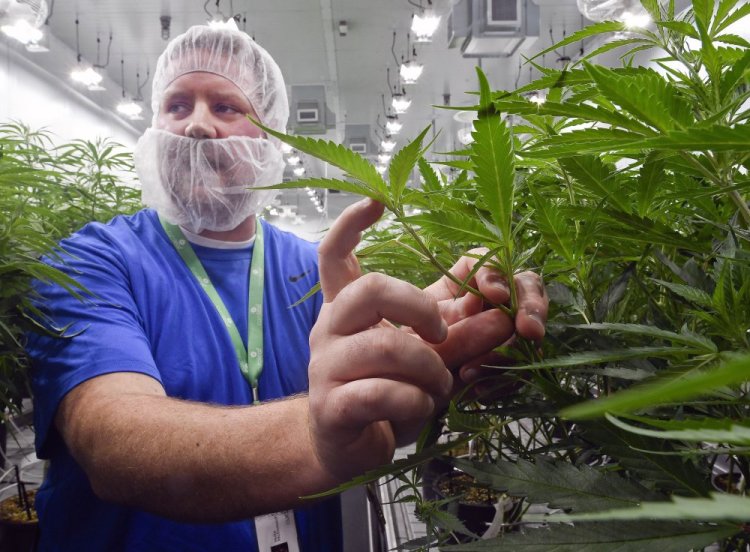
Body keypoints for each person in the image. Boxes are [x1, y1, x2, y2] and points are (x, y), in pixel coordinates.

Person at [25, 23, 548, 552]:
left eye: (226, 107)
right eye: (177, 105)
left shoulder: (313, 266)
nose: (197, 127)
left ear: (270, 135)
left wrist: (452, 342)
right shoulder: (88, 262)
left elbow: (378, 415)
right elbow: (114, 446)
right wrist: (317, 439)